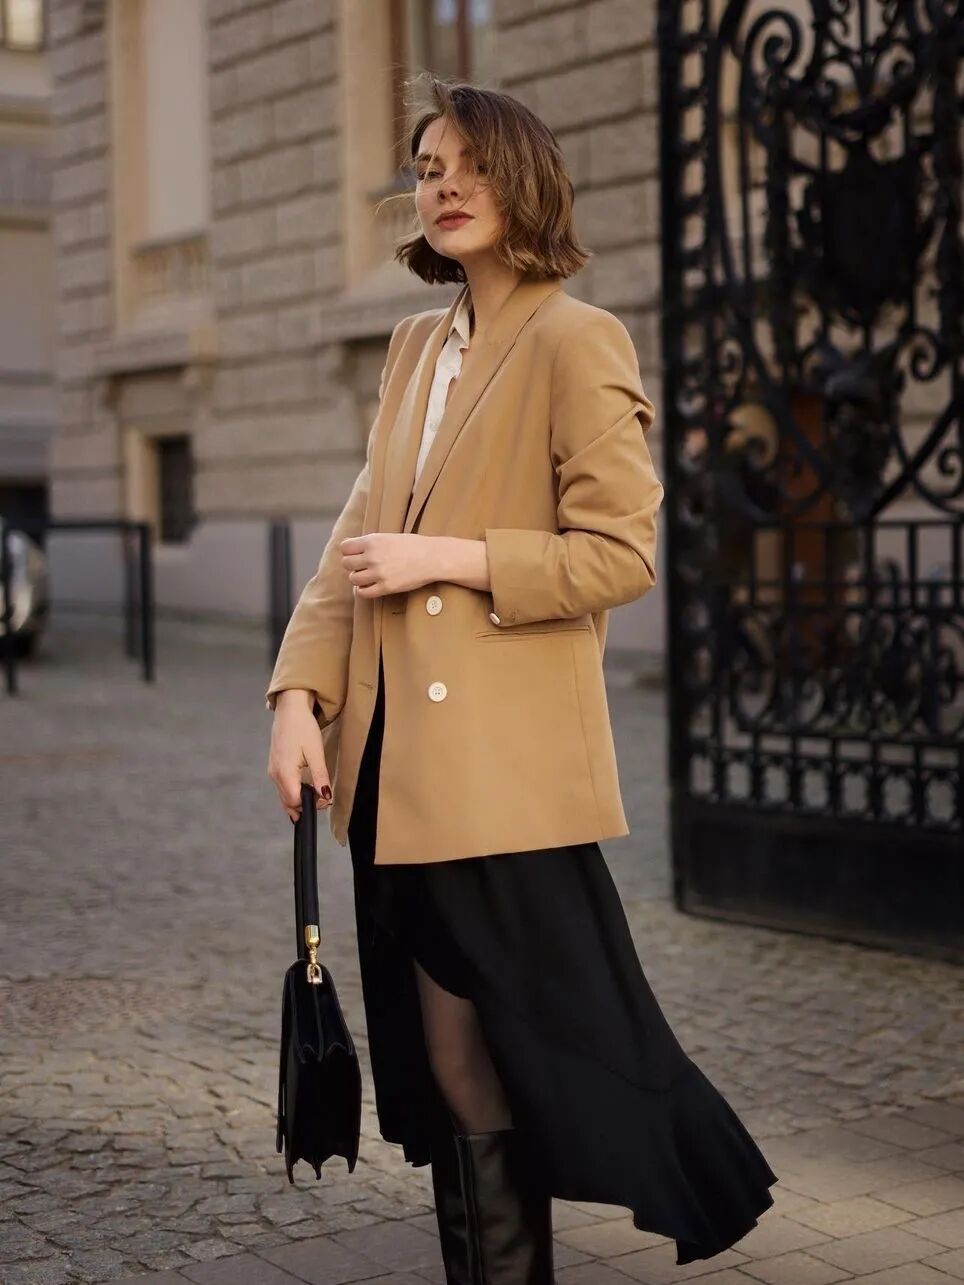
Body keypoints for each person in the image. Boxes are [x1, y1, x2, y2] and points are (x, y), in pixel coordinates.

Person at [266, 76, 778, 1283]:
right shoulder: (413, 347)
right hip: (395, 773)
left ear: (525, 180)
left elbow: (620, 554)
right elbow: (353, 546)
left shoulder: (574, 338)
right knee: (444, 1057)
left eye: (473, 165)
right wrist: (297, 698)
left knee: (554, 1046)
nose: (446, 187)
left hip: (500, 781)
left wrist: (450, 557)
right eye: (429, 168)